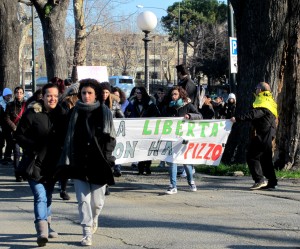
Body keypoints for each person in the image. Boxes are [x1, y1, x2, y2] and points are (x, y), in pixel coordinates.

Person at [57, 78, 116, 246]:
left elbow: (111, 138)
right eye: (83, 93)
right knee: (83, 201)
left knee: (97, 203)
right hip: (79, 163)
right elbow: (65, 135)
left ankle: (94, 218)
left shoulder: (104, 112)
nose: (86, 96)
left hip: (99, 163)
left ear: (96, 94)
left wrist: (107, 157)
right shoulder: (74, 112)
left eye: (90, 93)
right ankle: (86, 231)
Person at [14, 83, 67, 247]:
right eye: (49, 95)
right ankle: (42, 230)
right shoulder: (32, 113)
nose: (53, 99)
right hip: (34, 163)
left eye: (56, 96)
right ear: (42, 97)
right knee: (40, 196)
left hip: (53, 164)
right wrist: (33, 146)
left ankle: (48, 225)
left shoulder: (62, 115)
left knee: (48, 196)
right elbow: (18, 135)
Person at [231, 82, 278, 190]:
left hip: (263, 134)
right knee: (265, 159)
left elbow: (254, 114)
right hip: (269, 133)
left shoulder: (263, 102)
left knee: (252, 157)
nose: (255, 90)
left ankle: (259, 180)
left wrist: (237, 119)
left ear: (260, 90)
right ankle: (272, 182)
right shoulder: (270, 101)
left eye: (256, 88)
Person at [162, 86, 202, 194]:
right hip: (172, 138)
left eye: (175, 94)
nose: (173, 96)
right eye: (172, 94)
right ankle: (173, 186)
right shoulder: (168, 107)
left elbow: (199, 116)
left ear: (180, 95)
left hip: (185, 138)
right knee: (172, 161)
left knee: (186, 162)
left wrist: (189, 116)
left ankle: (191, 182)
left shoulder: (188, 105)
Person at [125, 86, 160, 175]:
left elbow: (156, 114)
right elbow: (128, 112)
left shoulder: (150, 102)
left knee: (147, 148)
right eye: (136, 93)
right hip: (137, 129)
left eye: (139, 93)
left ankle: (147, 167)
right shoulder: (133, 102)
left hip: (148, 129)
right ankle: (140, 168)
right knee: (139, 148)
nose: (138, 95)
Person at [3, 87, 26, 181]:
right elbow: (6, 117)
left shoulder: (27, 105)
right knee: (16, 153)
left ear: (23, 94)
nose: (19, 94)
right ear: (15, 94)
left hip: (25, 132)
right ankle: (18, 173)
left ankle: (24, 172)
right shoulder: (10, 105)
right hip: (15, 132)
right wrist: (14, 127)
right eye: (17, 92)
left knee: (26, 153)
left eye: (21, 92)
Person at [0, 88, 13, 164]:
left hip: (8, 126)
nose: (9, 97)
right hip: (1, 125)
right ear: (4, 95)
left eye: (10, 95)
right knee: (0, 142)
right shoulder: (0, 103)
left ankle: (7, 157)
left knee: (10, 141)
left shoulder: (11, 103)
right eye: (8, 95)